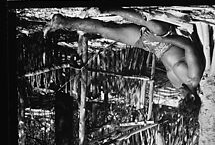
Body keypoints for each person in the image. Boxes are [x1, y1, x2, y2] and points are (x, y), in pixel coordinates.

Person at [44, 8, 205, 95]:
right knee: (155, 26)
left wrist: (153, 43)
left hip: (152, 46)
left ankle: (63, 23)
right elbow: (188, 46)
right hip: (166, 37)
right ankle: (108, 8)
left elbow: (165, 58)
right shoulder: (193, 77)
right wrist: (161, 39)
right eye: (183, 98)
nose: (179, 96)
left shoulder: (179, 85)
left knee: (106, 31)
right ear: (193, 97)